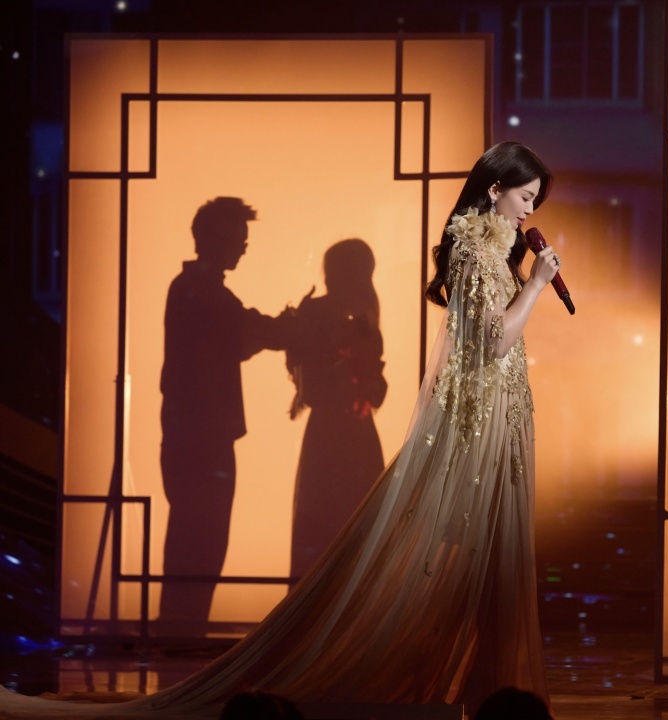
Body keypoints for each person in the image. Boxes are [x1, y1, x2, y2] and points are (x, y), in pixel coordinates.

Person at [0, 142, 560, 718]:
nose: (529, 211)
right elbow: (493, 341)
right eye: (525, 197)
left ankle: (477, 686)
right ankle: (207, 634)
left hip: (443, 421)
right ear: (495, 189)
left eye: (534, 201)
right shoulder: (470, 249)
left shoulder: (484, 256)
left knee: (480, 559)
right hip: (253, 435)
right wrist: (537, 285)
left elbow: (385, 378)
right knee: (231, 539)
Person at [159, 196, 293, 636]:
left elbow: (245, 332)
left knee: (196, 539)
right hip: (202, 438)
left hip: (194, 435)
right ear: (215, 240)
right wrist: (292, 326)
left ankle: (182, 629)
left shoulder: (195, 289)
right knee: (201, 541)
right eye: (239, 240)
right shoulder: (202, 293)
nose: (243, 249)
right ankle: (182, 631)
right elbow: (248, 331)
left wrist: (280, 327)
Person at [286, 239, 387, 582]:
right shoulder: (329, 315)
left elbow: (375, 388)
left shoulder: (358, 317)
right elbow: (315, 385)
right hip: (342, 435)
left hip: (349, 435)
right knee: (335, 527)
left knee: (343, 526)